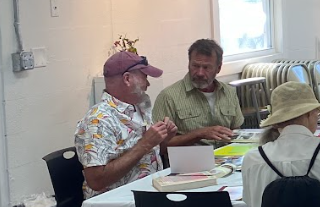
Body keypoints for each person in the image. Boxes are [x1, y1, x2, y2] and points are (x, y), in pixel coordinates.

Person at [75, 52, 177, 198]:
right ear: (127, 79)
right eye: (145, 77)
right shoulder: (98, 121)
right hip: (118, 205)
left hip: (149, 194)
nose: (148, 84)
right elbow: (96, 181)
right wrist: (145, 143)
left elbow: (147, 157)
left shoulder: (139, 108)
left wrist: (165, 139)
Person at [153, 39, 243, 146]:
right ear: (188, 64)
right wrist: (197, 134)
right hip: (190, 160)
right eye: (195, 66)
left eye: (206, 67)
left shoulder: (229, 92)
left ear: (218, 68)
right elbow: (158, 146)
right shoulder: (168, 96)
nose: (200, 73)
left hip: (227, 158)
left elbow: (237, 132)